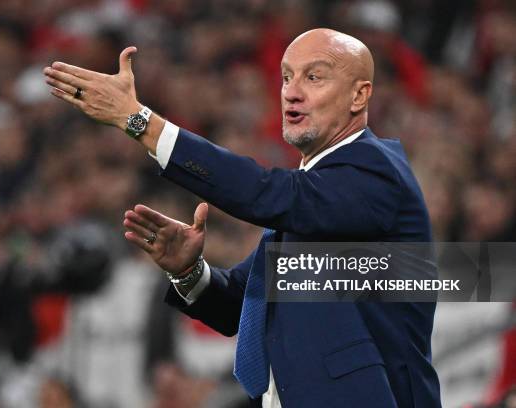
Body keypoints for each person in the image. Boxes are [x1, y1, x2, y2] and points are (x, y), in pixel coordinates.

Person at [44, 28, 442, 407]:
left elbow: (263, 192)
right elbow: (239, 305)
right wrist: (188, 271)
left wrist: (141, 123)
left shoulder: (374, 173)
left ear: (359, 95)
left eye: (314, 77)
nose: (292, 92)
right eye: (286, 77)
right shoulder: (318, 196)